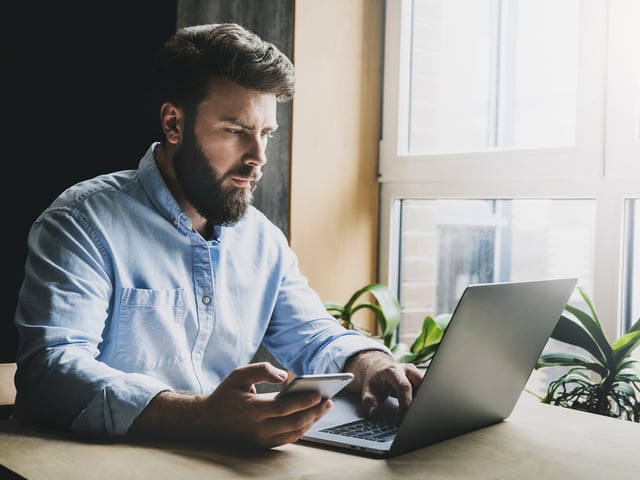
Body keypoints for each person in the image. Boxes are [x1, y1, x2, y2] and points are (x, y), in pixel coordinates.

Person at [13, 23, 423, 450]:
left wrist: (371, 362)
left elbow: (314, 335)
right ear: (173, 124)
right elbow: (50, 370)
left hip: (220, 463)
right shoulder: (83, 222)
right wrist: (198, 417)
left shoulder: (262, 240)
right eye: (235, 130)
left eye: (265, 134)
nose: (258, 158)